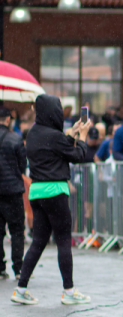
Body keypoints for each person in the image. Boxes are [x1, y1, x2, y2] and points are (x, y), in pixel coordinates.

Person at [13, 95, 92, 305]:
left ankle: (21, 289)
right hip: (55, 190)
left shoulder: (33, 133)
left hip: (37, 192)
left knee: (38, 242)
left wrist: (71, 133)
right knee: (64, 240)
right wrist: (82, 136)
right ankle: (69, 291)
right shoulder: (54, 135)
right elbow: (77, 155)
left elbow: (54, 148)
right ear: (54, 112)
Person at [0, 107, 27, 280]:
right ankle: (18, 268)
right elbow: (23, 165)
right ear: (8, 119)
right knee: (17, 230)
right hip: (14, 191)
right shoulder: (16, 138)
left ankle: (0, 267)